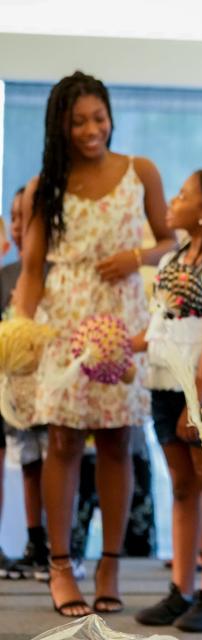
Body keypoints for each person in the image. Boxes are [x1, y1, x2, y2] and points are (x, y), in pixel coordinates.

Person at [14, 71, 175, 617]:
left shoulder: (141, 171)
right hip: (63, 322)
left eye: (98, 117)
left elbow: (169, 239)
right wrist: (18, 338)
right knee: (62, 441)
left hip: (122, 320)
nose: (91, 129)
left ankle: (109, 564)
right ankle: (61, 565)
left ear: (110, 115)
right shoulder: (44, 186)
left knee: (117, 441)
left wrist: (137, 258)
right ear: (60, 124)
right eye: (78, 120)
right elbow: (32, 271)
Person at [133, 170, 202, 632]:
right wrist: (118, 347)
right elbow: (159, 326)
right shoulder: (172, 261)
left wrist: (195, 401)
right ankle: (180, 590)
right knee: (181, 486)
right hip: (164, 384)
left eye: (183, 196)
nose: (171, 201)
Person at [0, 187, 51, 581]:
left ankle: (60, 545)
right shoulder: (6, 276)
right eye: (14, 218)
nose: (19, 227)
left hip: (53, 390)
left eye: (26, 218)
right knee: (30, 463)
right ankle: (35, 540)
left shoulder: (60, 273)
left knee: (57, 462)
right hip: (15, 396)